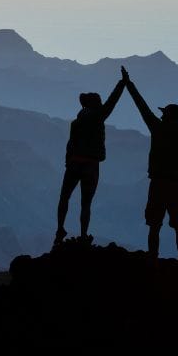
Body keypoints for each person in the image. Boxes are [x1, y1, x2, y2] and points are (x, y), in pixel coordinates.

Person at [121, 65, 178, 267]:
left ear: (167, 115)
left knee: (154, 226)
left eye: (164, 113)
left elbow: (141, 105)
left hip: (158, 184)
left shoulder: (157, 128)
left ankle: (152, 259)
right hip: (177, 187)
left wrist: (128, 84)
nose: (162, 115)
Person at [54, 76, 126, 247]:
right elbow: (112, 101)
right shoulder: (98, 116)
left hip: (73, 164)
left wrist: (68, 162)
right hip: (91, 166)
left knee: (64, 197)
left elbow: (70, 145)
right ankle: (84, 235)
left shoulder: (76, 122)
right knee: (86, 203)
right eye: (99, 101)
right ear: (94, 103)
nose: (101, 103)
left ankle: (60, 229)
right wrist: (122, 83)